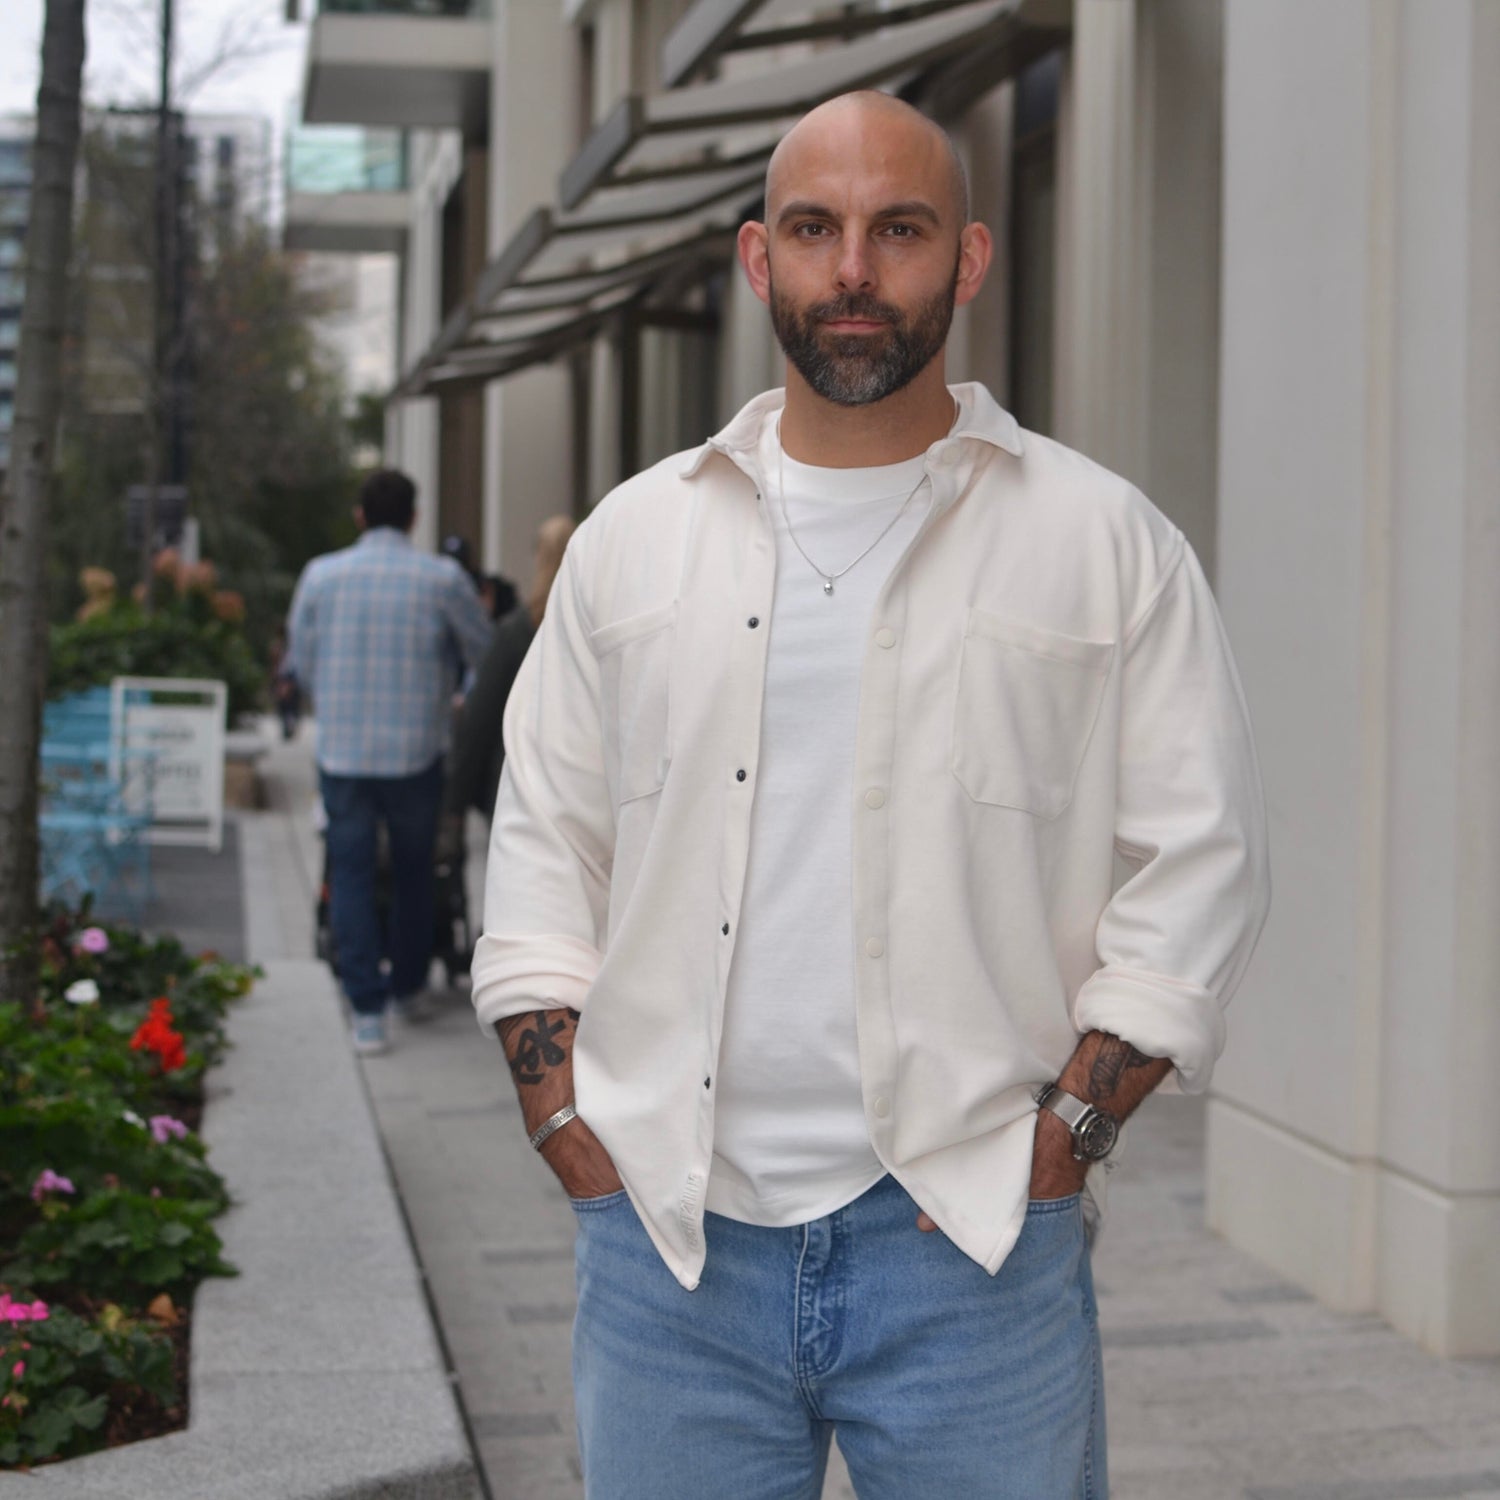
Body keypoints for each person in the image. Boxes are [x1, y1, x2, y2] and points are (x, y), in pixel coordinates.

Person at [471, 91, 1270, 1498]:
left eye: (897, 230)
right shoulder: (633, 542)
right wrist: (560, 1117)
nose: (852, 270)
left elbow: (1204, 859)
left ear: (968, 259)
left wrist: (1068, 1137)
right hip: (671, 1256)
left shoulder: (1104, 542)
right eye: (812, 229)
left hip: (971, 1251)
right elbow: (547, 840)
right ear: (755, 258)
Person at [289, 469, 492, 1056]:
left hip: (343, 752)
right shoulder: (442, 579)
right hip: (416, 752)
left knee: (349, 873)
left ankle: (365, 1009)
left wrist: (330, 698)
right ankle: (407, 985)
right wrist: (453, 695)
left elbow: (301, 661)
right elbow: (481, 651)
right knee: (413, 873)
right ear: (414, 517)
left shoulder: (321, 576)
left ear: (360, 516)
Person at [444, 515, 576, 826]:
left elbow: (480, 718)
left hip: (521, 788)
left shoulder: (517, 632)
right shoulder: (590, 627)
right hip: (580, 787)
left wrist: (455, 801)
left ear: (539, 558)